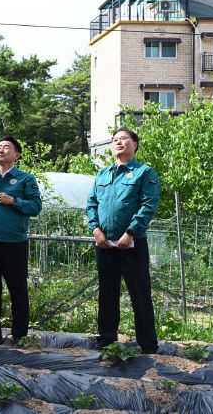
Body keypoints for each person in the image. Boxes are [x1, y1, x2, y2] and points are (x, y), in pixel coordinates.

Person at [86, 127, 160, 353]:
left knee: (140, 294)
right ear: (111, 147)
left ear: (134, 144)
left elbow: (148, 205)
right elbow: (91, 204)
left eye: (124, 139)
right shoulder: (102, 174)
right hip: (105, 245)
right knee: (107, 294)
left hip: (132, 245)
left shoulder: (144, 172)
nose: (119, 142)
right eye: (115, 140)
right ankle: (107, 340)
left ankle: (147, 345)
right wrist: (95, 230)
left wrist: (131, 232)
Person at [0, 136, 42, 345]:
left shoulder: (25, 179)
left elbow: (35, 207)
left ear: (17, 155)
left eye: (6, 147)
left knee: (17, 290)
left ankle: (19, 335)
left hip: (14, 244)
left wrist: (14, 201)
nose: (1, 150)